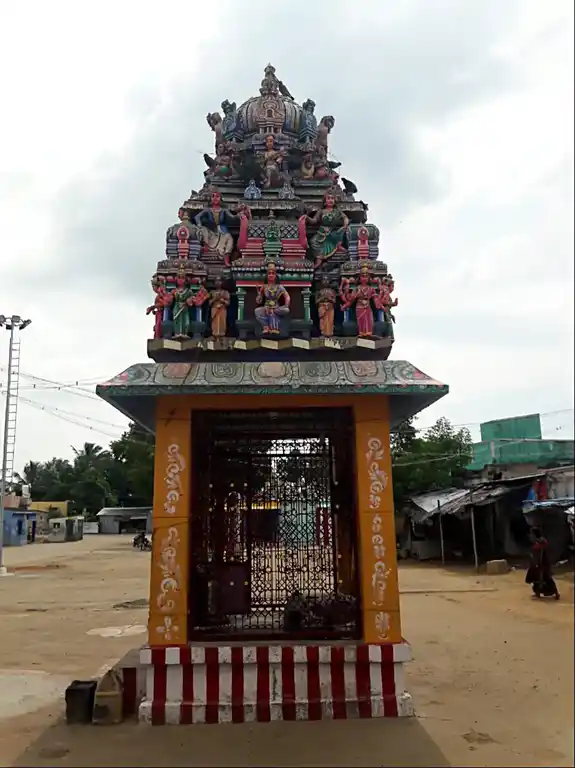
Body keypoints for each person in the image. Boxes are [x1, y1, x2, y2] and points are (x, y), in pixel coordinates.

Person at [525, 526, 560, 599]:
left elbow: (541, 554)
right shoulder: (538, 541)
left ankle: (556, 594)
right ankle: (538, 593)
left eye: (531, 534)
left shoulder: (541, 542)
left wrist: (538, 563)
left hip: (542, 563)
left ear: (535, 534)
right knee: (537, 579)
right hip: (538, 562)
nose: (530, 535)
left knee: (545, 578)